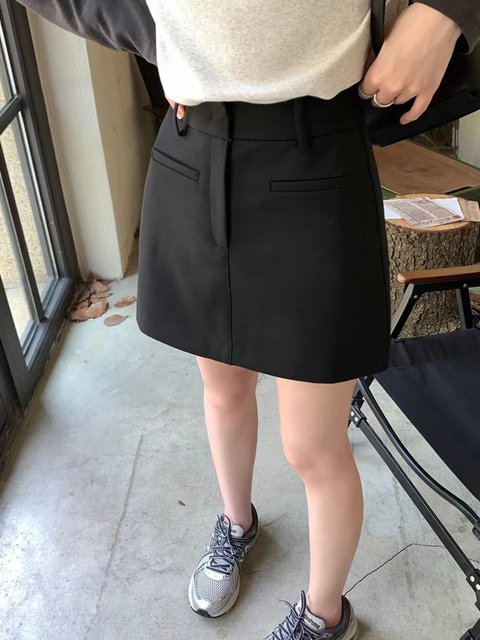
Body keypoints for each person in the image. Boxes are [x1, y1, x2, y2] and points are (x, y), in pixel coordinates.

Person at [16, 2, 480, 638]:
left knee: (312, 445)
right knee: (223, 388)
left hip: (317, 155)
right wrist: (166, 35)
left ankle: (325, 616)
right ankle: (237, 523)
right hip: (194, 150)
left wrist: (449, 11)